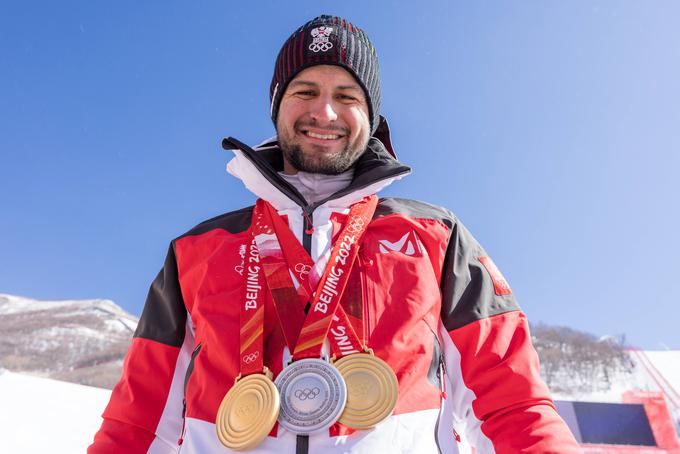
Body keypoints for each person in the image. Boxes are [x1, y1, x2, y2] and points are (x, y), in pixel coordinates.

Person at [89, 15, 580, 454]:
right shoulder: (195, 251)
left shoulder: (436, 237)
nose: (324, 114)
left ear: (372, 117)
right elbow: (135, 424)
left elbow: (513, 406)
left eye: (347, 97)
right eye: (305, 92)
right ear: (277, 105)